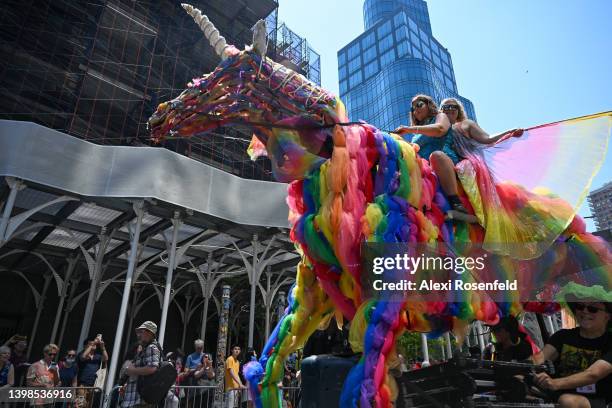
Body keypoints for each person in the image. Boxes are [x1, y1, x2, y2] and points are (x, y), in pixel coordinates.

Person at [393, 94, 471, 220]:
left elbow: (440, 129)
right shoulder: (415, 137)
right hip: (428, 171)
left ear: (428, 105)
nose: (415, 110)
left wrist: (409, 129)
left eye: (418, 105)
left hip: (445, 163)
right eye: (412, 109)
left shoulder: (440, 116)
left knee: (436, 156)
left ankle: (457, 204)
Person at [532, 286, 611, 408]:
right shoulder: (562, 336)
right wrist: (523, 368)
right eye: (579, 306)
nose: (584, 311)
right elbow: (540, 357)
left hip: (596, 400)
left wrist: (554, 383)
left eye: (592, 309)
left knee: (568, 401)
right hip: (557, 394)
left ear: (607, 316)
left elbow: (593, 374)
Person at [439, 97, 523, 145]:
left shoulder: (467, 124)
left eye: (453, 107)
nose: (449, 109)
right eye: (446, 107)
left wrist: (509, 132)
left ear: (458, 110)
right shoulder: (436, 127)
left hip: (469, 166)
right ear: (441, 111)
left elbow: (487, 139)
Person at [122, 321, 161, 408]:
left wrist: (132, 370)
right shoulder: (144, 348)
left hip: (141, 401)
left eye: (141, 332)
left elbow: (152, 368)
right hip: (134, 400)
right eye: (137, 332)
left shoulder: (152, 347)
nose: (138, 335)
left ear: (149, 333)